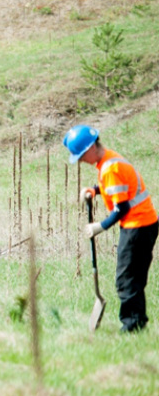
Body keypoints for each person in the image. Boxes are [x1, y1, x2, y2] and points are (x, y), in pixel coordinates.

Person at [64, 125, 158, 332]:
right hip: (143, 224)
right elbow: (116, 188)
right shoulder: (108, 160)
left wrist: (100, 226)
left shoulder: (110, 168)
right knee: (133, 276)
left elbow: (122, 207)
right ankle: (137, 320)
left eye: (80, 156)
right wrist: (94, 190)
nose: (80, 161)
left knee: (126, 279)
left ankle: (132, 325)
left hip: (137, 226)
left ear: (90, 149)